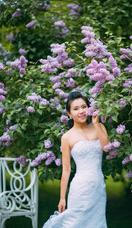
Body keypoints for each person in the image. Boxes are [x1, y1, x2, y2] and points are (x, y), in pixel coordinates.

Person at [42, 91, 110, 228]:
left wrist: (96, 124)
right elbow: (66, 170)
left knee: (97, 223)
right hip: (80, 188)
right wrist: (62, 198)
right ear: (69, 114)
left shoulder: (100, 127)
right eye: (76, 108)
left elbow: (107, 148)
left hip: (98, 187)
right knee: (74, 223)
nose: (81, 111)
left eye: (84, 107)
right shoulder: (67, 137)